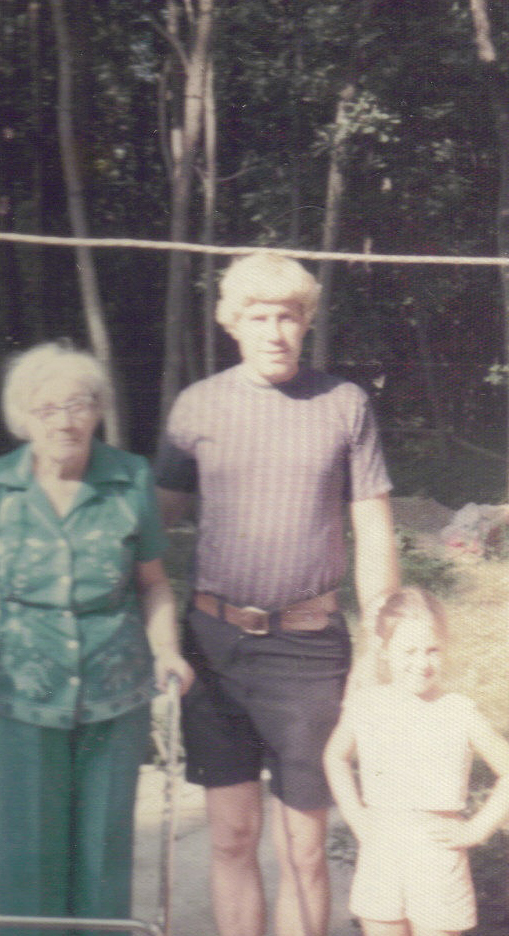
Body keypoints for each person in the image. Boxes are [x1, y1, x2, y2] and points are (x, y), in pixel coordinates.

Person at [154, 252, 399, 936]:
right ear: (232, 323)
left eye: (287, 317)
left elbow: (374, 535)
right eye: (258, 317)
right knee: (231, 838)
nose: (274, 332)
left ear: (306, 323)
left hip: (308, 653)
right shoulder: (197, 406)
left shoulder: (343, 404)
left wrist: (378, 651)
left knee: (303, 850)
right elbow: (150, 529)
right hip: (213, 649)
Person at [0, 340, 193, 936]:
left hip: (117, 689)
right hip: (24, 689)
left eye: (79, 404)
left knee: (104, 847)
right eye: (48, 408)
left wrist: (166, 649)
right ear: (23, 418)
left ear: (99, 410)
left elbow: (154, 584)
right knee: (28, 846)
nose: (65, 420)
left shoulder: (130, 477)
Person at [324, 587, 509, 936]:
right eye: (409, 650)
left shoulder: (458, 711)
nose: (421, 663)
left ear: (445, 648)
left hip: (437, 857)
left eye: (432, 650)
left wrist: (475, 830)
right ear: (384, 650)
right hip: (381, 851)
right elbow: (334, 757)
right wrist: (356, 816)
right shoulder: (367, 705)